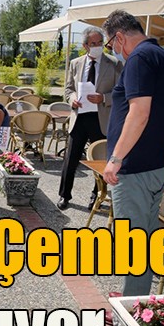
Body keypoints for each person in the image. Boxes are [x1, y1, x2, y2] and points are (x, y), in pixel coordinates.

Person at [102, 10, 164, 298]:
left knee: (132, 241)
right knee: (143, 237)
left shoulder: (139, 58)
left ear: (119, 37)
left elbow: (139, 113)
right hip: (156, 162)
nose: (113, 50)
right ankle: (136, 297)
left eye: (110, 44)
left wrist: (115, 159)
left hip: (134, 167)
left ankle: (132, 306)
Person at [57, 26, 123, 210]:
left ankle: (97, 195)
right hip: (79, 117)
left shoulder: (114, 63)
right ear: (85, 45)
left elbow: (121, 92)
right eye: (93, 43)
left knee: (101, 160)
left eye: (100, 42)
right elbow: (68, 89)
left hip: (101, 118)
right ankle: (64, 195)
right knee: (70, 159)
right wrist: (72, 99)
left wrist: (104, 98)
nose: (97, 46)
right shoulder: (75, 63)